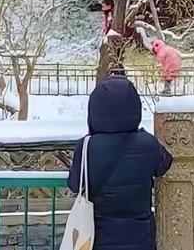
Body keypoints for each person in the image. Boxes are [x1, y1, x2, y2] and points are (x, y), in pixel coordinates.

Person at [68, 75, 172, 250]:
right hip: (140, 238)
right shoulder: (147, 144)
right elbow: (165, 164)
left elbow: (75, 184)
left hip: (99, 237)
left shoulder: (86, 146)